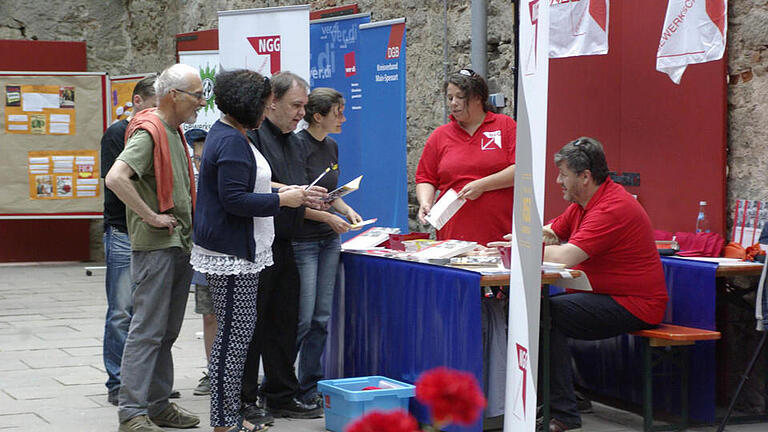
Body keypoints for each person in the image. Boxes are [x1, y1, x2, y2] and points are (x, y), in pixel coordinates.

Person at [191, 69, 308, 432]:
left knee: (236, 338)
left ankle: (227, 416)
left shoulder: (231, 134)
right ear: (249, 104)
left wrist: (283, 190)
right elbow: (234, 199)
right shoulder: (230, 140)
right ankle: (225, 420)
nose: (269, 106)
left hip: (237, 250)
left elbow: (240, 185)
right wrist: (282, 199)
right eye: (266, 101)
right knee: (234, 339)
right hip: (232, 254)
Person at [540, 137, 669, 432]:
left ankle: (563, 412)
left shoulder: (612, 207)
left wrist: (520, 249)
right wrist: (520, 237)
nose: (558, 180)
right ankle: (559, 399)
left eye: (563, 174)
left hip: (634, 303)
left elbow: (565, 255)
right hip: (608, 296)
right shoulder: (582, 204)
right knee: (539, 311)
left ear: (585, 176)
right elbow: (549, 232)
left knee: (546, 314)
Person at [105, 63, 204, 432]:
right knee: (147, 330)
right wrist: (151, 216)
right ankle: (132, 412)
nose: (201, 102)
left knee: (166, 332)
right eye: (196, 95)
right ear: (174, 96)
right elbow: (116, 178)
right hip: (157, 246)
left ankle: (159, 405)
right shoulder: (150, 132)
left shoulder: (173, 130)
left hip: (177, 243)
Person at [241, 71, 325, 420]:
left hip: (289, 240)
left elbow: (296, 183)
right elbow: (255, 181)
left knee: (285, 323)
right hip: (258, 244)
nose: (301, 113)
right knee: (254, 326)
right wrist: (291, 191)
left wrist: (312, 195)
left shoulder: (295, 139)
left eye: (304, 106)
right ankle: (244, 398)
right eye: (296, 105)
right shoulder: (254, 135)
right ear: (271, 102)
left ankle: (281, 393)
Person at [293, 88, 362, 405]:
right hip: (303, 240)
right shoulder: (296, 146)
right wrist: (326, 217)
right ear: (317, 116)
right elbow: (293, 202)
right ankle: (279, 383)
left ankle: (309, 386)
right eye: (338, 112)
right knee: (303, 318)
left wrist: (345, 210)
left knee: (321, 317)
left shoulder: (331, 146)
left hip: (328, 240)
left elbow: (328, 193)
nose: (344, 118)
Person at [99, 74, 158, 406]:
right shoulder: (118, 133)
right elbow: (115, 182)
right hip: (123, 230)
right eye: (152, 105)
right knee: (122, 310)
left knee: (146, 312)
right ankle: (118, 381)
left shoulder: (160, 131)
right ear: (137, 102)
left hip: (150, 232)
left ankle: (143, 381)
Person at [415, 68, 517, 247]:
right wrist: (425, 202)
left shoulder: (505, 126)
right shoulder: (440, 135)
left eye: (460, 97)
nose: (453, 103)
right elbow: (425, 177)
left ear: (478, 97)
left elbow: (521, 170)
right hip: (452, 236)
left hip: (499, 235)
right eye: (450, 98)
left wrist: (482, 185)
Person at [184, 127, 215, 397]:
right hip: (203, 253)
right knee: (209, 314)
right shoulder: (190, 181)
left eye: (203, 160)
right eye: (196, 159)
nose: (198, 164)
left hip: (234, 252)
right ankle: (212, 371)